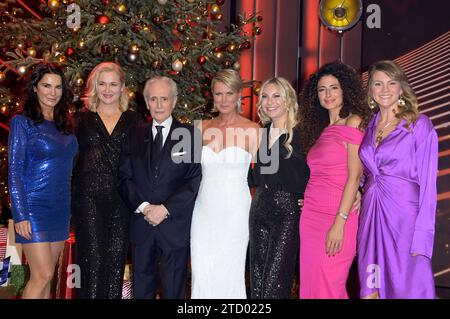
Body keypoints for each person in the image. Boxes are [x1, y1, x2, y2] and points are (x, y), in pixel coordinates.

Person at [358, 60, 438, 299]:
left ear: (401, 88)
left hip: (405, 220)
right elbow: (367, 173)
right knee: (371, 288)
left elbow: (428, 188)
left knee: (408, 288)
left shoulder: (419, 125)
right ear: (371, 91)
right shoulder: (368, 127)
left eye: (391, 83)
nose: (385, 89)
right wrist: (359, 193)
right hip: (371, 217)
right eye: (378, 83)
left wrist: (422, 237)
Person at [118, 76, 202, 299]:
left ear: (174, 101)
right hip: (142, 225)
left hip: (174, 226)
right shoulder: (134, 134)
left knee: (174, 291)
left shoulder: (189, 135)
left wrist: (165, 208)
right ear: (146, 102)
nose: (159, 105)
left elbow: (193, 179)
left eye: (164, 99)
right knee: (142, 290)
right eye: (153, 99)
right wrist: (145, 208)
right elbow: (125, 177)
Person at [298, 62, 372, 299]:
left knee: (329, 286)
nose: (328, 94)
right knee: (311, 285)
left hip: (338, 214)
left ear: (345, 90)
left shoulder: (353, 121)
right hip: (310, 216)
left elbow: (355, 175)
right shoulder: (320, 130)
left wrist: (340, 222)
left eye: (334, 88)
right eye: (322, 89)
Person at [72, 62, 143, 299]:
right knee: (91, 261)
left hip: (122, 200)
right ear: (94, 86)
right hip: (88, 198)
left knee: (115, 261)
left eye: (113, 84)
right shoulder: (80, 118)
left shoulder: (135, 120)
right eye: (102, 83)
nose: (107, 89)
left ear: (122, 87)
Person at [8, 63, 78, 299]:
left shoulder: (66, 125)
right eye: (46, 86)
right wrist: (20, 214)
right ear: (35, 88)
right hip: (33, 208)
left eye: (58, 87)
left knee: (47, 279)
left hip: (60, 208)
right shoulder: (23, 123)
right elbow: (15, 170)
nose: (52, 92)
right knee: (43, 275)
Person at [190, 69, 260, 299]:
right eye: (218, 94)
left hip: (236, 211)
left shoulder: (254, 130)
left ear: (239, 94)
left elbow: (268, 176)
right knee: (202, 271)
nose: (223, 100)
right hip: (204, 210)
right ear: (212, 95)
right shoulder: (200, 128)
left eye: (229, 93)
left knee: (231, 272)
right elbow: (188, 174)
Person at [248, 77, 309, 299]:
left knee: (275, 280)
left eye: (276, 96)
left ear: (288, 100)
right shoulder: (260, 133)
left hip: (287, 211)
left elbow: (320, 169)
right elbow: (252, 175)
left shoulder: (303, 133)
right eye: (265, 96)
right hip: (259, 207)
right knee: (257, 277)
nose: (269, 101)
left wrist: (309, 196)